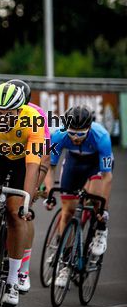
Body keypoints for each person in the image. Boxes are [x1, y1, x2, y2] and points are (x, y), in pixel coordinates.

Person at [0, 82, 44, 307]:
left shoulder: (33, 121)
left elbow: (33, 167)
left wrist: (26, 202)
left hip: (22, 162)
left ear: (19, 110)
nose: (1, 118)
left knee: (15, 213)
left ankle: (13, 279)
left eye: (8, 114)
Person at [46, 105, 113, 286]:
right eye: (72, 133)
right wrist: (49, 193)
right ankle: (66, 262)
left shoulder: (102, 137)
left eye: (80, 134)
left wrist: (103, 208)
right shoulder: (58, 136)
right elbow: (49, 168)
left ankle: (100, 228)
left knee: (95, 195)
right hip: (74, 164)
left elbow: (107, 177)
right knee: (67, 211)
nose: (75, 137)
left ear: (89, 129)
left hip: (96, 165)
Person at [7, 78, 51, 293]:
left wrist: (34, 189)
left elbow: (44, 156)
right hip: (5, 154)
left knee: (24, 210)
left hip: (30, 159)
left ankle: (22, 269)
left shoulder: (36, 115)